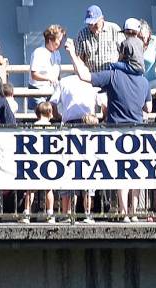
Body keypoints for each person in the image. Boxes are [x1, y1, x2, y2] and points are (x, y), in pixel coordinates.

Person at [65, 37, 151, 221]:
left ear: (124, 54)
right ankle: (134, 212)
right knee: (135, 174)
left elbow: (85, 76)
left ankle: (123, 212)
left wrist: (72, 53)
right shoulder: (143, 81)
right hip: (137, 132)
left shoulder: (113, 74)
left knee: (122, 173)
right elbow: (149, 108)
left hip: (116, 132)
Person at [50, 75, 103, 222]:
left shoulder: (64, 81)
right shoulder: (92, 80)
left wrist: (58, 116)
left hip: (68, 127)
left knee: (68, 170)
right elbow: (105, 105)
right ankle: (87, 214)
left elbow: (52, 103)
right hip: (89, 127)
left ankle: (67, 213)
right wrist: (100, 118)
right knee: (88, 170)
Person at [21, 101, 56, 224]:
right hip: (48, 160)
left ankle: (26, 213)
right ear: (49, 112)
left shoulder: (32, 126)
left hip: (34, 160)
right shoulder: (52, 128)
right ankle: (50, 214)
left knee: (30, 189)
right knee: (48, 189)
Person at [73, 5, 123, 74]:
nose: (93, 27)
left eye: (96, 24)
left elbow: (123, 53)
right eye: (90, 24)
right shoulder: (82, 34)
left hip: (112, 75)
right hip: (93, 77)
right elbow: (79, 58)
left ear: (102, 19)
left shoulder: (114, 29)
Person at [30, 25, 65, 96]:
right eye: (58, 42)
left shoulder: (57, 53)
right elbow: (34, 75)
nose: (60, 44)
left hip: (52, 90)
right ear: (50, 40)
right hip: (38, 92)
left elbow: (57, 73)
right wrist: (49, 79)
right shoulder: (38, 52)